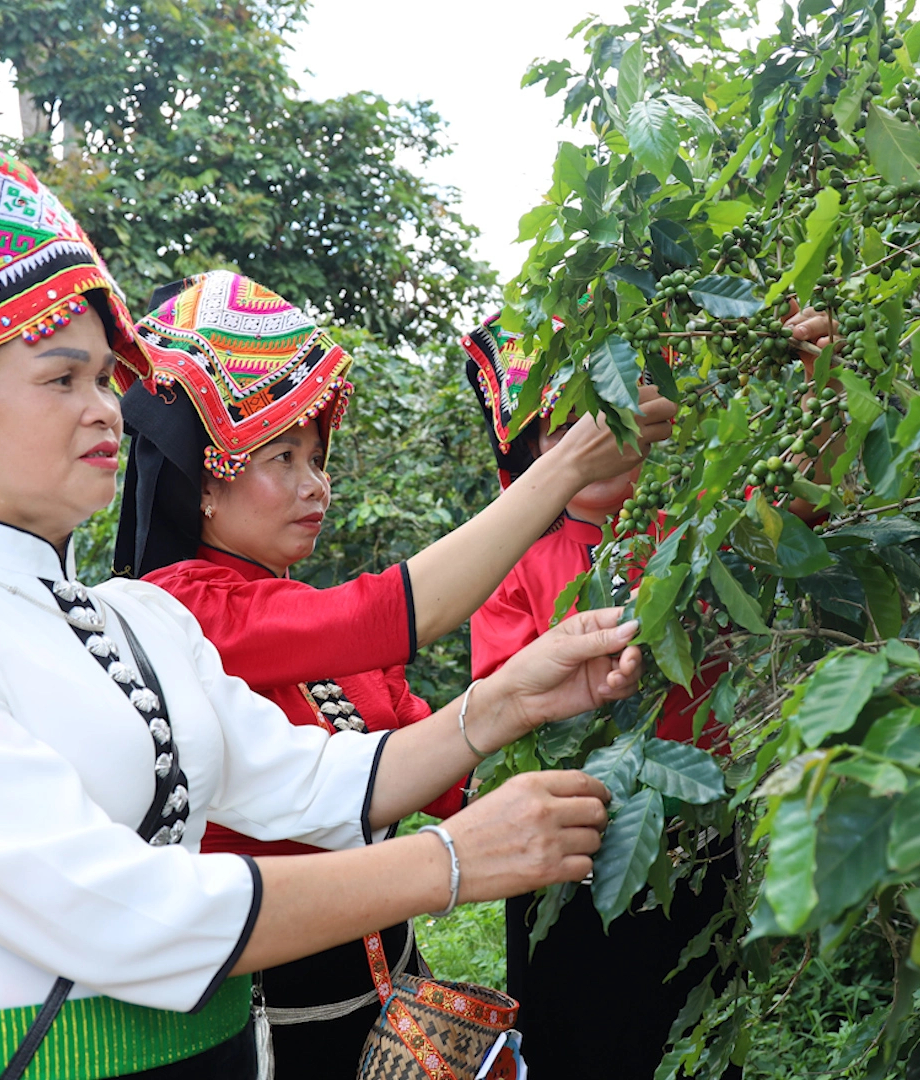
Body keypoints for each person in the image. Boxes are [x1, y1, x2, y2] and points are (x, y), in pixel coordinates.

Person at [0, 133, 639, 1080]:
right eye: (61, 379)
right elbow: (107, 911)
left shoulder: (133, 622)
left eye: (101, 379)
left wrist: (513, 698)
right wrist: (449, 863)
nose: (106, 411)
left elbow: (319, 783)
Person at [110, 269, 677, 1077]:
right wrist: (563, 468)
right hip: (273, 1026)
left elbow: (442, 766)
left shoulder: (306, 630)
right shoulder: (182, 609)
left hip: (384, 1015)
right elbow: (391, 614)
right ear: (205, 479)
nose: (317, 484)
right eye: (284, 456)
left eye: (318, 456)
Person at [461, 305, 836, 1079]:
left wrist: (816, 378)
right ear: (534, 454)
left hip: (690, 836)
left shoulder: (690, 526)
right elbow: (502, 711)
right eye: (565, 431)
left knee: (689, 1029)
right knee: (577, 1040)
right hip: (565, 849)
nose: (595, 444)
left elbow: (803, 504)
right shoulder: (512, 565)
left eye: (609, 417)